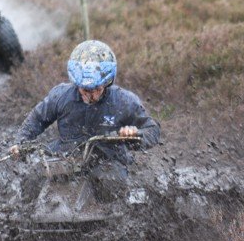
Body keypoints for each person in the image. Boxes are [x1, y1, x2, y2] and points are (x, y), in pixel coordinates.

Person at [10, 40, 160, 201]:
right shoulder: (60, 96)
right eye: (85, 90)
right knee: (31, 178)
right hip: (65, 154)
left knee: (111, 185)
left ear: (107, 83)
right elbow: (36, 120)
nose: (91, 95)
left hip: (107, 159)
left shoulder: (124, 101)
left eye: (97, 89)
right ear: (76, 84)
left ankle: (111, 221)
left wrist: (135, 134)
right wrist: (20, 143)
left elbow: (152, 130)